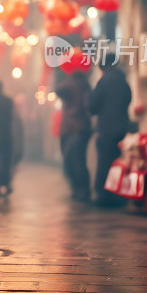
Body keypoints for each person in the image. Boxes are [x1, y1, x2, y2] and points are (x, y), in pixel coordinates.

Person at [89, 55, 132, 207]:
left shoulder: (104, 81)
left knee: (104, 162)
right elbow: (128, 98)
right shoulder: (122, 80)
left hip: (107, 127)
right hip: (121, 127)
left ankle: (104, 196)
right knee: (117, 161)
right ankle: (118, 194)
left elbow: (92, 105)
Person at [55, 70, 92, 202]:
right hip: (74, 128)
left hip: (76, 128)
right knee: (74, 160)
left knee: (74, 160)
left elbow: (58, 89)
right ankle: (79, 189)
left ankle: (81, 189)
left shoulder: (76, 86)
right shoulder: (83, 87)